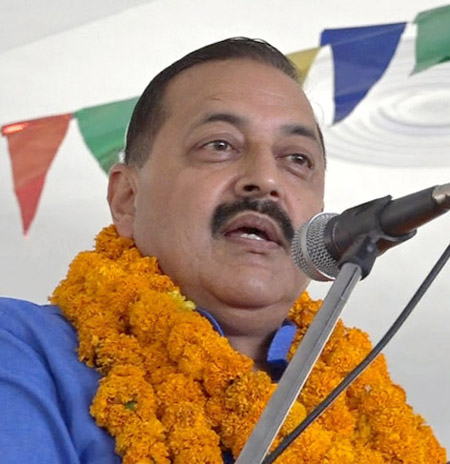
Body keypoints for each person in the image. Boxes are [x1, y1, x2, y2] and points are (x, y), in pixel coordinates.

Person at [0, 38, 446, 464]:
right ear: (127, 200)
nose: (265, 179)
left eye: (297, 159)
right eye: (219, 145)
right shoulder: (22, 347)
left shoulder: (367, 410)